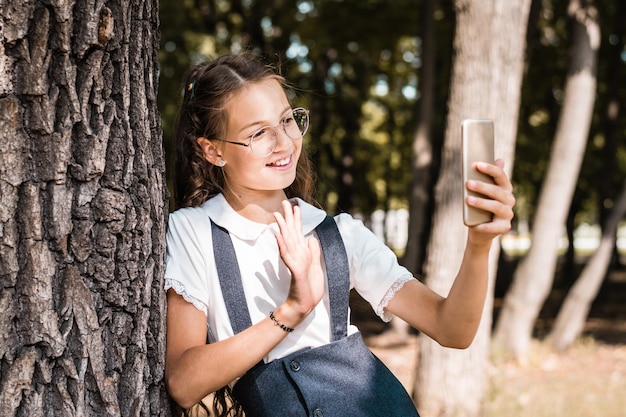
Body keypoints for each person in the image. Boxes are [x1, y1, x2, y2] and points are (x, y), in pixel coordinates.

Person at [164, 52, 515, 417]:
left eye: (287, 120)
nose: (283, 143)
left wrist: (479, 245)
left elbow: (451, 329)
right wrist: (293, 309)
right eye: (258, 133)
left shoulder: (338, 234)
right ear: (213, 150)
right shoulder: (194, 232)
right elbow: (184, 384)